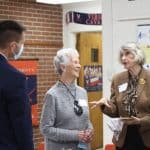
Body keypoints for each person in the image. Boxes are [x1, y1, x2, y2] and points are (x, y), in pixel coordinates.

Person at [90, 42, 150, 150]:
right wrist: (106, 104)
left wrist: (140, 121)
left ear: (138, 55)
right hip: (124, 138)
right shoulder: (118, 79)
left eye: (127, 54)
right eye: (122, 55)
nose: (123, 58)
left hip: (146, 137)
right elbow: (115, 111)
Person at [40, 48, 93, 150]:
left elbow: (85, 120)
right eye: (75, 62)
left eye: (79, 62)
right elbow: (45, 129)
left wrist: (90, 130)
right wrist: (76, 135)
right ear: (63, 67)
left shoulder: (82, 92)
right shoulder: (52, 95)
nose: (79, 66)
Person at [0, 20, 34, 150]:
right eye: (22, 43)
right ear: (13, 46)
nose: (22, 47)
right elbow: (21, 123)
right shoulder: (14, 78)